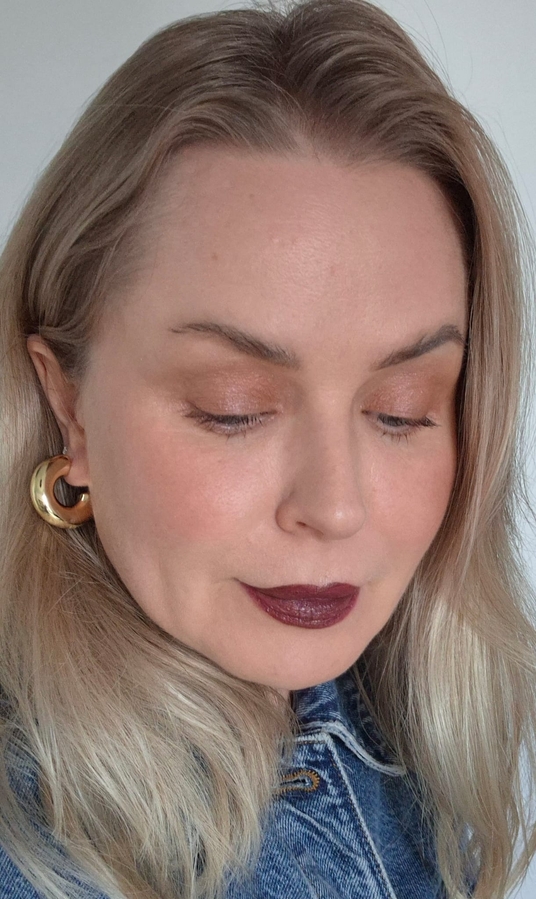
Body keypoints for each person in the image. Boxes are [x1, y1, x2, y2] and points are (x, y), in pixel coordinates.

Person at [1, 0, 535, 896]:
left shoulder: (413, 745)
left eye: (400, 411)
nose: (335, 506)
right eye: (235, 409)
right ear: (69, 408)